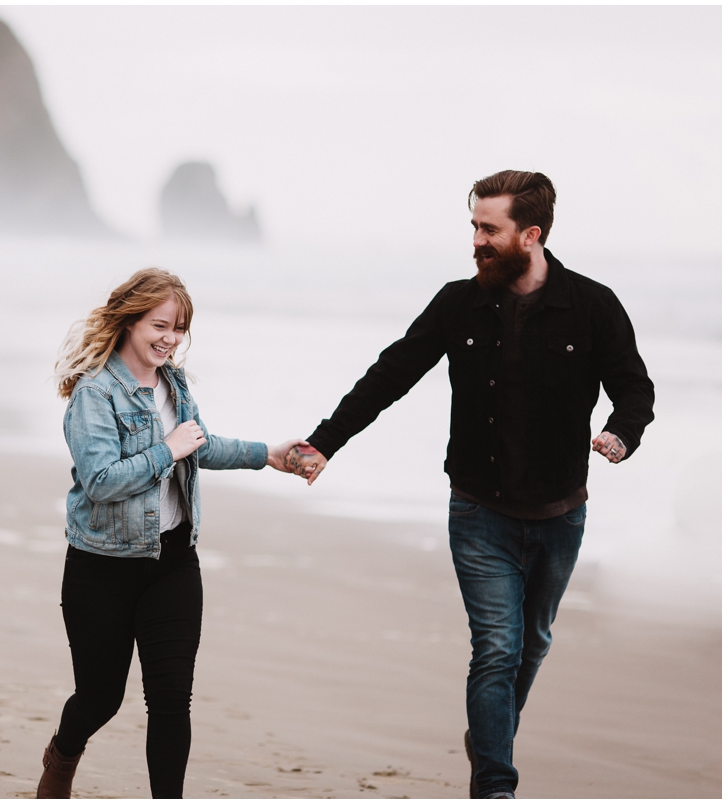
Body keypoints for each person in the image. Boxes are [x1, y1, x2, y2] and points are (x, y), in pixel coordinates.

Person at [287, 171, 654, 799]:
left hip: (560, 515)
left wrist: (620, 434)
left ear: (530, 235)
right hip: (479, 510)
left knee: (530, 644)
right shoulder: (459, 302)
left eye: (490, 230)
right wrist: (324, 441)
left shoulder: (592, 306)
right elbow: (391, 374)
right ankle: (495, 783)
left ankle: (490, 734)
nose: (477, 242)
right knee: (496, 648)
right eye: (475, 228)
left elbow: (635, 389)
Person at [37, 267, 308, 799]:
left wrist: (267, 454)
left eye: (179, 328)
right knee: (100, 698)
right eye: (159, 325)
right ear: (130, 320)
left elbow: (198, 443)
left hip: (173, 561)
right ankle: (63, 753)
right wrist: (168, 449)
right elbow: (100, 480)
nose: (169, 339)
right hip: (102, 567)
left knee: (170, 699)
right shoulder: (95, 393)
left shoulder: (173, 384)